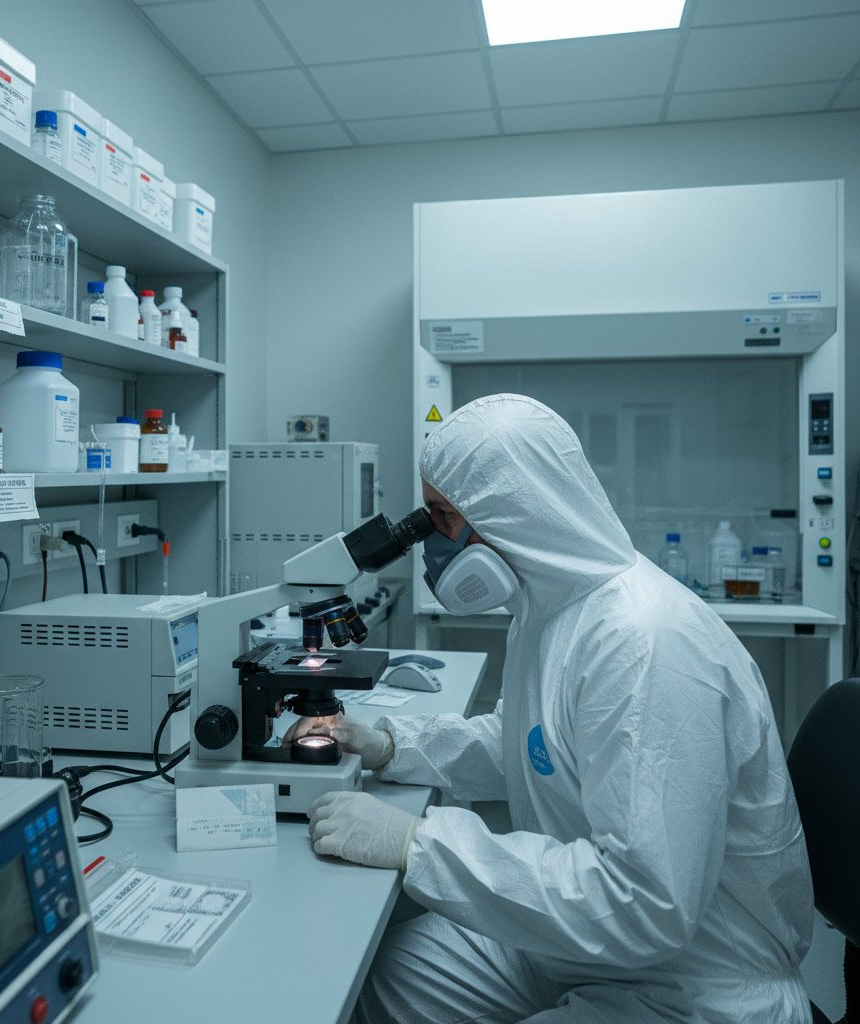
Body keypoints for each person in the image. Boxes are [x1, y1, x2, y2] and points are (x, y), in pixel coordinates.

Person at [285, 394, 814, 1023]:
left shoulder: (646, 645)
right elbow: (537, 748)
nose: (431, 544)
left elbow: (644, 903)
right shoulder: (553, 609)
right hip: (580, 946)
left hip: (692, 981)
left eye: (442, 518)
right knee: (393, 976)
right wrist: (394, 746)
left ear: (510, 516)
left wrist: (418, 844)